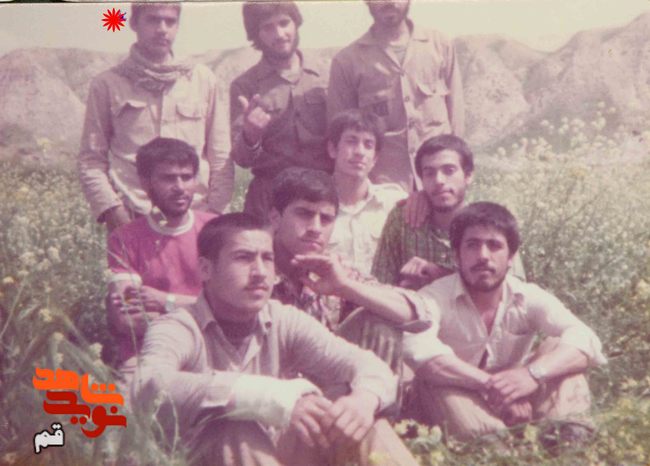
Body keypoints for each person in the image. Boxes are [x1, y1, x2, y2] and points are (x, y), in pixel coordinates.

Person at [131, 213, 419, 466]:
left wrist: (364, 400)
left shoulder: (282, 318)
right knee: (233, 426)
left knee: (359, 421)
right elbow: (148, 385)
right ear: (206, 269)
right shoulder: (180, 326)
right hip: (200, 457)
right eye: (243, 258)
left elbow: (366, 364)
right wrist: (272, 398)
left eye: (267, 259)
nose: (259, 273)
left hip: (276, 453)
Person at [403, 202, 606, 442]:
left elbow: (586, 339)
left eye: (494, 245)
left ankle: (566, 441)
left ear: (511, 257)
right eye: (472, 245)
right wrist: (497, 386)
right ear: (457, 255)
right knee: (435, 378)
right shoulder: (433, 297)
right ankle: (493, 448)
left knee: (560, 347)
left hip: (519, 399)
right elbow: (420, 353)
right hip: (458, 398)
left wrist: (532, 375)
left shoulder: (526, 295)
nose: (483, 256)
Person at [79, 3, 233, 232]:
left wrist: (214, 214)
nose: (162, 29)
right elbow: (91, 159)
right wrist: (113, 210)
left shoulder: (203, 80)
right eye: (152, 20)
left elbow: (220, 157)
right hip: (132, 214)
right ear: (134, 23)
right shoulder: (107, 84)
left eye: (170, 21)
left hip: (195, 216)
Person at [328, 0, 464, 192]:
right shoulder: (347, 61)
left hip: (439, 183)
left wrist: (457, 170)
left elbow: (456, 114)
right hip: (385, 188)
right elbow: (340, 135)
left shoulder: (440, 46)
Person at [107, 137, 216, 368]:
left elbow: (231, 308)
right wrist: (201, 310)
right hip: (149, 353)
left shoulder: (215, 230)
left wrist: (165, 301)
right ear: (146, 183)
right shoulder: (124, 239)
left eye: (186, 177)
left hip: (210, 351)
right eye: (168, 178)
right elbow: (128, 320)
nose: (180, 187)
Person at [371, 134, 526, 289]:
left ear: (468, 175)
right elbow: (379, 284)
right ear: (421, 179)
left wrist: (439, 276)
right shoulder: (404, 219)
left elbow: (515, 290)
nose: (439, 180)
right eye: (429, 173)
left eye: (449, 170)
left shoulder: (491, 221)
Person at [230, 1, 330, 220]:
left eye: (284, 23)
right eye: (268, 27)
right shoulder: (244, 86)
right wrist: (250, 135)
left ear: (296, 23)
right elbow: (241, 159)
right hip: (269, 197)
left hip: (322, 192)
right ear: (255, 34)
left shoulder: (327, 74)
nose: (279, 34)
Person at [327, 109, 407, 276]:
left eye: (368, 145)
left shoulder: (394, 202)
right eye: (351, 142)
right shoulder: (315, 204)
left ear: (375, 158)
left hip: (383, 291)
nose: (360, 152)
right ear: (333, 149)